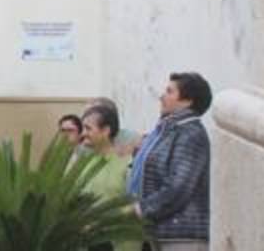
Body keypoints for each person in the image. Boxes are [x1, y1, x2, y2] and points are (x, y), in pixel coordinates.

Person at [129, 72, 212, 251]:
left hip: (181, 237)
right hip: (159, 232)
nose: (161, 96)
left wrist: (141, 209)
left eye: (169, 91)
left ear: (187, 101)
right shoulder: (167, 130)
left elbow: (179, 187)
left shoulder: (191, 134)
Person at [80, 105, 141, 251]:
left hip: (121, 244)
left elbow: (138, 204)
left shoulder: (129, 163)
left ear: (106, 131)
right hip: (88, 242)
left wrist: (101, 221)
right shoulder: (83, 164)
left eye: (88, 128)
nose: (83, 133)